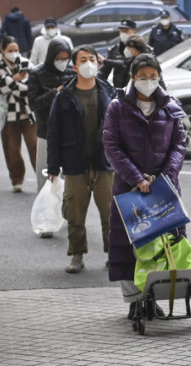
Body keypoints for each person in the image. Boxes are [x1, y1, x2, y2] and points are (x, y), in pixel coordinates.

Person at [103, 53, 187, 313]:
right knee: (129, 245)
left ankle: (153, 297)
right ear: (132, 78)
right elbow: (111, 146)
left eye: (153, 77)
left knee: (165, 244)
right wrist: (137, 178)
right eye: (143, 77)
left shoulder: (171, 106)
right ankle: (135, 301)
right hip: (129, 189)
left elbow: (179, 145)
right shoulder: (117, 107)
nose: (148, 82)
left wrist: (167, 176)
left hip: (164, 188)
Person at [46, 45, 115, 274]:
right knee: (75, 214)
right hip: (74, 164)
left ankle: (113, 253)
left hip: (104, 164)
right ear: (74, 66)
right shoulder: (64, 96)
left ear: (98, 63)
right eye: (83, 59)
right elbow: (53, 132)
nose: (88, 63)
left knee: (111, 213)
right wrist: (53, 167)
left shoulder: (109, 92)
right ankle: (77, 254)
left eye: (92, 59)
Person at [0, 36, 36, 192]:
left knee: (35, 147)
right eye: (10, 51)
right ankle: (16, 180)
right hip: (8, 114)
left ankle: (45, 179)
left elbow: (34, 85)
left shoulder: (26, 63)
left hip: (28, 113)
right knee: (12, 149)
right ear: (3, 50)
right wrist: (14, 80)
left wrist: (11, 85)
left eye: (16, 50)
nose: (14, 53)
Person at [27, 38, 74, 201]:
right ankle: (45, 210)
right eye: (59, 58)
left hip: (69, 131)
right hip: (46, 131)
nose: (63, 62)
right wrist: (55, 92)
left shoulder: (73, 72)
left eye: (66, 58)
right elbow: (34, 104)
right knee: (46, 173)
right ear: (51, 57)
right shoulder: (37, 73)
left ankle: (65, 210)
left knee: (69, 176)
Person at [99, 19, 137, 87]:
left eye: (126, 31)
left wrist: (105, 61)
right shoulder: (114, 50)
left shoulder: (142, 50)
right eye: (121, 31)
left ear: (134, 32)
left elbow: (125, 64)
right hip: (120, 90)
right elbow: (103, 73)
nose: (123, 33)